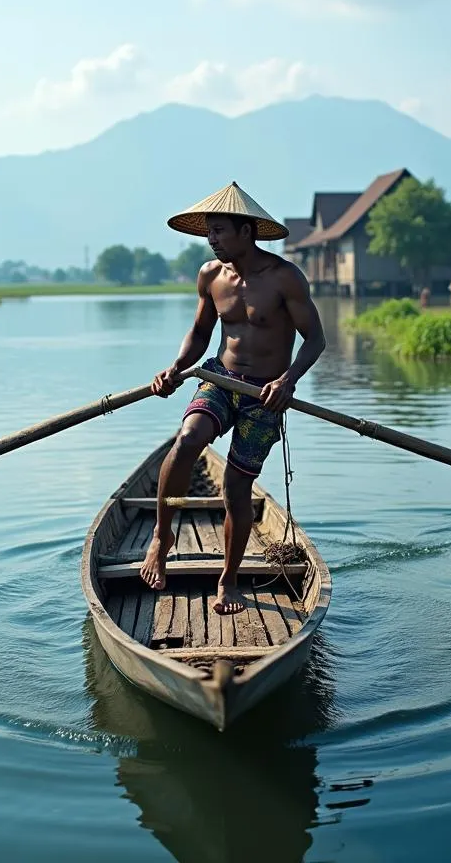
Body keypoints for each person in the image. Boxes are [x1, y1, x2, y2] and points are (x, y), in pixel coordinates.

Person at [141, 181, 326, 615]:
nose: (212, 239)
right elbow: (202, 333)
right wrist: (176, 367)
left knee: (236, 488)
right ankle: (161, 535)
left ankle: (228, 580)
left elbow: (315, 339)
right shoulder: (210, 275)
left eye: (220, 230)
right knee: (187, 441)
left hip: (265, 394)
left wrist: (289, 381)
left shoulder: (284, 278)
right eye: (209, 232)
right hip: (222, 378)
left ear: (247, 232)